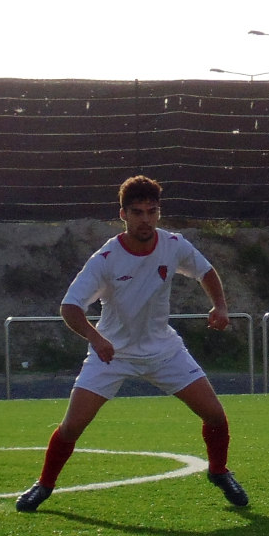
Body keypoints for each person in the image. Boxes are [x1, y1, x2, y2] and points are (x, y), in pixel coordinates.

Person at [16, 175, 249, 512]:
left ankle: (219, 471)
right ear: (123, 214)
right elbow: (70, 307)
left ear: (159, 212)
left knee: (215, 415)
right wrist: (96, 339)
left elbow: (206, 272)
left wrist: (220, 306)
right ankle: (44, 484)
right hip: (112, 354)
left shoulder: (174, 244)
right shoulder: (106, 259)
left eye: (152, 211)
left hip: (164, 351)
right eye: (137, 212)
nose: (146, 219)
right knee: (72, 427)